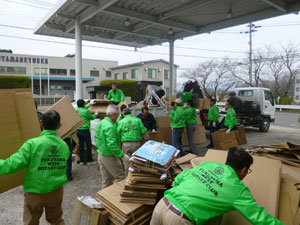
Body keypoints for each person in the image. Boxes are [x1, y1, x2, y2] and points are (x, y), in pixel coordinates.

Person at [150, 148, 284, 225]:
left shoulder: (207, 165)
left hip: (162, 204)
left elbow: (179, 178)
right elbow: (260, 218)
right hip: (179, 220)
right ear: (243, 170)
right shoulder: (238, 190)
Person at [0, 110, 69, 225]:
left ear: (40, 123)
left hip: (34, 193)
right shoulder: (64, 145)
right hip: (56, 192)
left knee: (30, 222)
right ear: (59, 125)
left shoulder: (32, 144)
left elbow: (11, 165)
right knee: (57, 221)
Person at [94, 104, 125, 188]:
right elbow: (112, 145)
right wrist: (121, 155)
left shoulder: (101, 123)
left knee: (106, 180)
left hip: (101, 153)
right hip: (109, 155)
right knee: (120, 177)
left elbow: (96, 136)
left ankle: (104, 199)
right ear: (113, 115)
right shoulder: (110, 126)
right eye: (117, 115)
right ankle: (114, 197)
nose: (118, 116)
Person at [117, 108, 147, 175]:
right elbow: (143, 131)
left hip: (126, 144)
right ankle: (136, 175)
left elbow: (117, 133)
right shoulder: (137, 120)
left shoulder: (121, 122)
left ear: (123, 114)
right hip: (136, 143)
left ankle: (127, 176)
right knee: (136, 159)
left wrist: (119, 143)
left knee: (127, 160)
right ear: (131, 113)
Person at [76, 99, 98, 165]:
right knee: (88, 146)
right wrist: (96, 114)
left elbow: (82, 109)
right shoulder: (86, 111)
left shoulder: (76, 110)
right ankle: (89, 161)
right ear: (83, 104)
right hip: (85, 130)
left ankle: (82, 161)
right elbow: (91, 117)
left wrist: (90, 104)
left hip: (78, 130)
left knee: (81, 145)